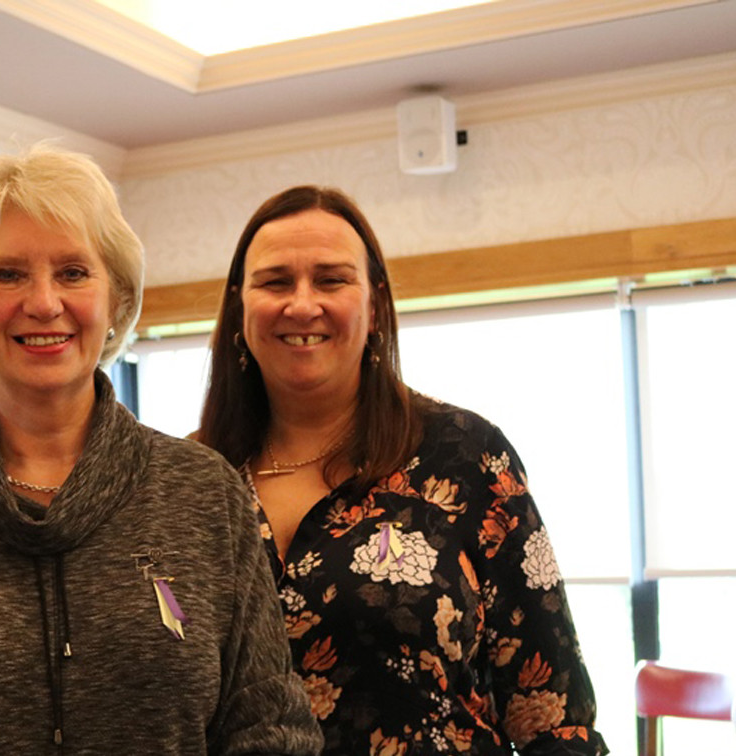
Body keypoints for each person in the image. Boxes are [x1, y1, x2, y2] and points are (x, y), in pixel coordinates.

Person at [0, 145, 322, 755]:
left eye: (73, 272)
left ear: (116, 300)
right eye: (8, 274)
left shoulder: (203, 491)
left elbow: (269, 726)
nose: (43, 302)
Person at [195, 185, 607, 755]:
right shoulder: (186, 478)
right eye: (275, 281)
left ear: (376, 306)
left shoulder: (466, 456)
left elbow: (556, 719)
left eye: (331, 279)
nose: (302, 304)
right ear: (240, 306)